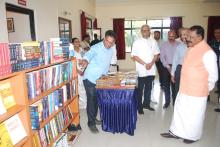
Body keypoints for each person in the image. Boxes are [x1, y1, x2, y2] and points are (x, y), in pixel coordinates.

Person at [161, 25, 218, 144]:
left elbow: (213, 76)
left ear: (200, 37)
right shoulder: (190, 47)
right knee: (180, 111)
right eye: (188, 36)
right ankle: (176, 132)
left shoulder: (208, 52)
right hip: (184, 88)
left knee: (194, 115)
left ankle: (193, 136)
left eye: (191, 37)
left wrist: (204, 89)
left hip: (197, 92)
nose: (188, 39)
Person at [79, 30, 116, 133]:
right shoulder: (96, 47)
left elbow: (106, 64)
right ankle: (91, 123)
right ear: (104, 39)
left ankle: (94, 118)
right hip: (90, 78)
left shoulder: (111, 49)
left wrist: (106, 74)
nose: (109, 44)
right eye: (107, 41)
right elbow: (89, 55)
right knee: (91, 101)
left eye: (111, 42)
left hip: (100, 79)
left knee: (96, 101)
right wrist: (85, 60)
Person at [131, 24, 160, 114]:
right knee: (140, 89)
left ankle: (146, 104)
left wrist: (151, 63)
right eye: (143, 30)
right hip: (141, 70)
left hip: (151, 69)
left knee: (149, 88)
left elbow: (156, 54)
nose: (145, 32)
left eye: (147, 30)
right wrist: (145, 64)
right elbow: (134, 56)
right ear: (141, 32)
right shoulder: (137, 42)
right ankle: (139, 107)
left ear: (149, 31)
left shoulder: (154, 41)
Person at [160, 30, 180, 108]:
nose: (171, 38)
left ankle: (175, 102)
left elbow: (180, 57)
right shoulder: (164, 45)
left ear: (175, 36)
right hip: (166, 67)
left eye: (172, 36)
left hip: (176, 67)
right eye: (169, 36)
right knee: (166, 86)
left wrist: (174, 67)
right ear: (167, 36)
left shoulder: (179, 45)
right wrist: (168, 67)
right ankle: (167, 102)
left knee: (175, 86)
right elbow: (162, 57)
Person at [171, 28, 189, 103]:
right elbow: (175, 61)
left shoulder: (194, 47)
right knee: (177, 89)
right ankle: (176, 104)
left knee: (187, 90)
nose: (182, 36)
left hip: (190, 71)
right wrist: (172, 74)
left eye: (184, 34)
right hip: (179, 69)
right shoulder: (179, 47)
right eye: (181, 35)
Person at [70, 38, 87, 109]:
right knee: (79, 88)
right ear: (73, 43)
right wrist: (77, 71)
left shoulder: (81, 50)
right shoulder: (72, 52)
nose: (78, 43)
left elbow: (85, 59)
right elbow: (71, 63)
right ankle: (82, 105)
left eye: (78, 41)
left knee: (83, 87)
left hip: (83, 70)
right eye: (76, 42)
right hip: (76, 71)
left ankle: (84, 103)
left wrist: (84, 69)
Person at [208, 26, 220, 112]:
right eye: (216, 32)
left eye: (219, 32)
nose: (217, 34)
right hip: (213, 66)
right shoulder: (211, 42)